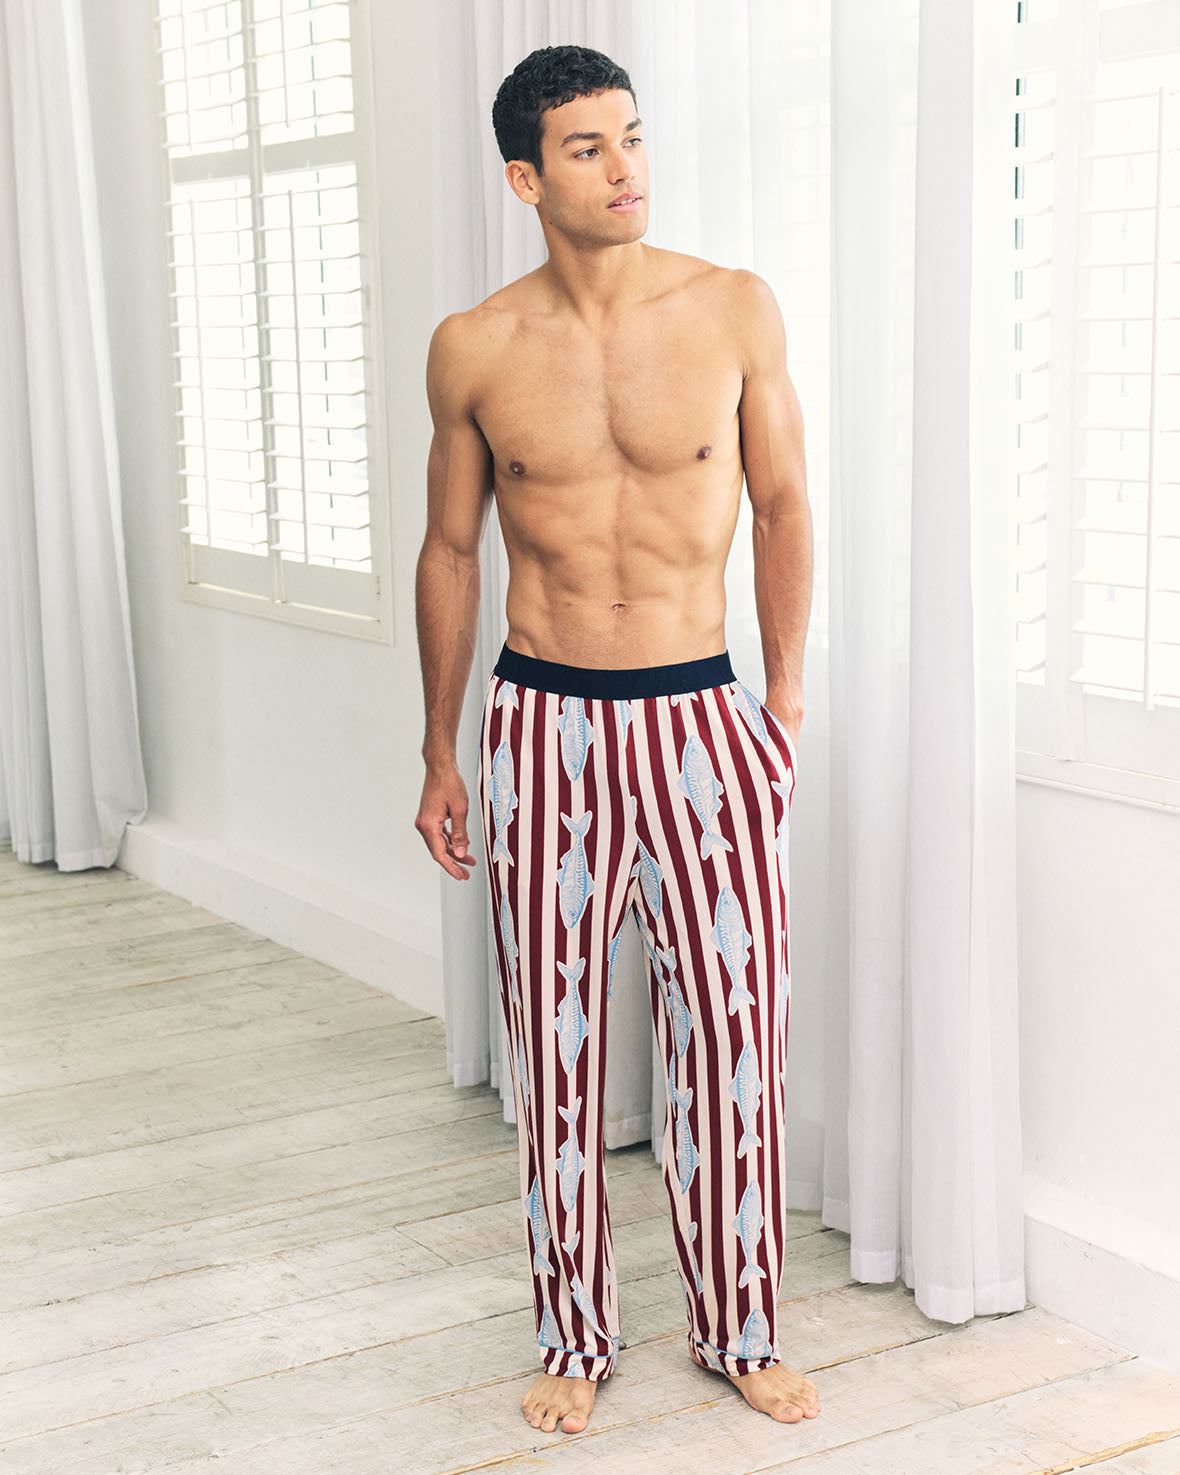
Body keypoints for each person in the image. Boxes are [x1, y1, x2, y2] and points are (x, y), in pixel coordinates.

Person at [414, 43, 816, 1438]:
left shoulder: (732, 308)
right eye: (587, 148)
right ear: (527, 179)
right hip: (543, 724)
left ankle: (739, 1327)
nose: (625, 166)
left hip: (707, 718)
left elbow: (784, 501)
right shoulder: (476, 346)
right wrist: (441, 751)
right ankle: (574, 1333)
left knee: (736, 1042)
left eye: (632, 136)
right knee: (556, 1051)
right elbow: (451, 552)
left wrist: (783, 703)